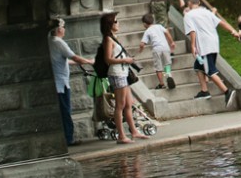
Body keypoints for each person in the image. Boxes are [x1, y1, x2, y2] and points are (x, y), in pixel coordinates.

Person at [100, 12, 147, 144]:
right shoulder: (108, 39)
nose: (118, 23)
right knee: (120, 106)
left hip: (123, 73)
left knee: (128, 104)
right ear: (110, 24)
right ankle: (121, 135)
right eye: (116, 21)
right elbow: (108, 59)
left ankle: (134, 132)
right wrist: (125, 60)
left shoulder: (114, 37)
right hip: (116, 74)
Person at [183, 0, 239, 106]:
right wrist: (233, 31)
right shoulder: (207, 12)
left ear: (189, 4)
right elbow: (221, 22)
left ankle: (227, 91)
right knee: (198, 67)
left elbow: (192, 31)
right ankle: (204, 91)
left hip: (204, 45)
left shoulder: (188, 15)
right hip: (213, 43)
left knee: (210, 71)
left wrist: (193, 46)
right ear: (198, 3)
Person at [47, 16, 94, 147]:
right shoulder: (59, 42)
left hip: (58, 82)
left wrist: (81, 62)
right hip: (61, 84)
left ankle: (65, 138)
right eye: (63, 27)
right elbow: (74, 57)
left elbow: (64, 60)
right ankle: (68, 139)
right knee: (66, 111)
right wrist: (89, 61)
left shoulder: (50, 41)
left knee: (62, 111)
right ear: (59, 29)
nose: (64, 29)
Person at [139, 13, 177, 90]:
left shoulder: (147, 31)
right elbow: (167, 32)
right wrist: (172, 42)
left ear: (144, 24)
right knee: (167, 64)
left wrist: (141, 49)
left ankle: (162, 84)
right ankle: (168, 75)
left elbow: (142, 44)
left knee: (158, 67)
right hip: (166, 48)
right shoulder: (159, 26)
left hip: (157, 49)